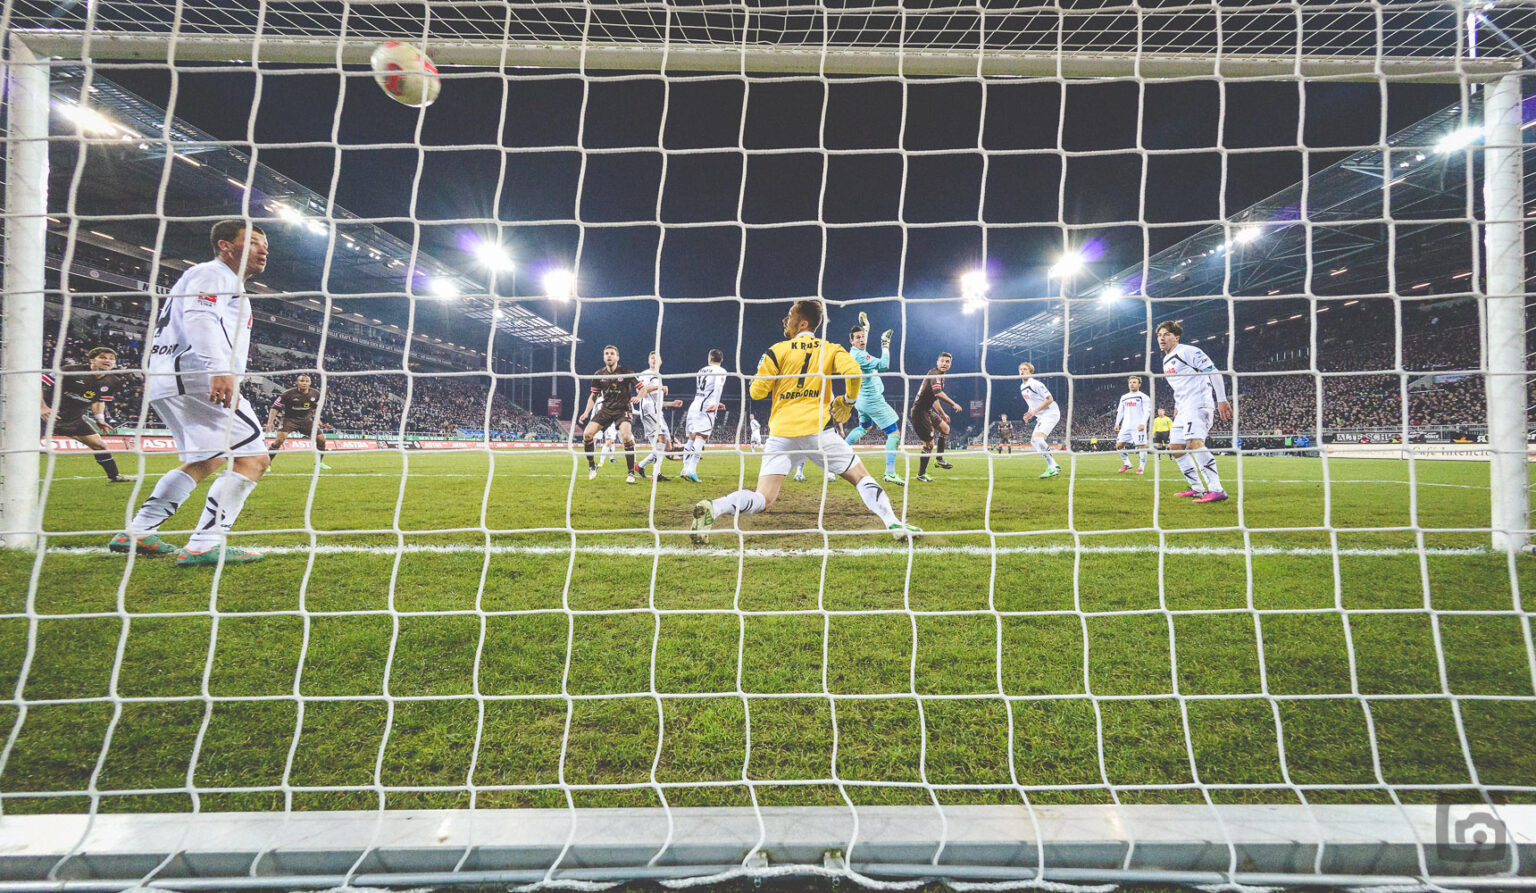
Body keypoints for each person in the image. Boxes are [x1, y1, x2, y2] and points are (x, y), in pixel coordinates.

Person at [110, 220, 272, 566]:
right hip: (196, 376)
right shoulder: (214, 273)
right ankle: (204, 543)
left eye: (265, 245)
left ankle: (138, 531)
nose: (263, 250)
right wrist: (219, 369)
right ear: (225, 245)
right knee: (255, 459)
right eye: (253, 242)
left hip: (173, 378)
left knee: (209, 458)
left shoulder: (214, 279)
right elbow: (200, 316)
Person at [690, 299, 920, 543]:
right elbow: (854, 372)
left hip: (781, 434)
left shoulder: (776, 350)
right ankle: (893, 522)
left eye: (790, 315)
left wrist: (765, 375)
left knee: (763, 498)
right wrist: (848, 401)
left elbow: (756, 392)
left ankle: (715, 507)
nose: (785, 320)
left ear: (803, 323)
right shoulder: (830, 349)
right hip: (818, 432)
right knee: (861, 477)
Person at [1157, 321, 1233, 502]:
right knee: (1175, 447)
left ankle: (1216, 489)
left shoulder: (1188, 351)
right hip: (1183, 407)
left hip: (1198, 403)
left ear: (1176, 337)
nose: (1162, 338)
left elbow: (1213, 372)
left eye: (1166, 334)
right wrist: (1177, 405)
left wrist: (1221, 399)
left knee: (1193, 442)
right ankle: (1197, 487)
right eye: (1159, 335)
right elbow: (1180, 386)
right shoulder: (1166, 360)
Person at [41, 346, 135, 483]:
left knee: (99, 446)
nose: (108, 361)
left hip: (73, 419)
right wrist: (42, 407)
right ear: (92, 360)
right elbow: (39, 383)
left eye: (111, 359)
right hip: (45, 416)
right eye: (103, 357)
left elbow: (99, 400)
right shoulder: (71, 371)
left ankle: (114, 476)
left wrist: (99, 419)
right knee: (23, 447)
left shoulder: (113, 381)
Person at [844, 313, 904, 486]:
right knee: (894, 433)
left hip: (861, 399)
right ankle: (890, 473)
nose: (862, 339)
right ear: (851, 341)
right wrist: (885, 344)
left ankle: (841, 452)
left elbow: (863, 340)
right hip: (872, 400)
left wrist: (866, 327)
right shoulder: (860, 356)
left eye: (863, 336)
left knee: (865, 427)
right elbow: (884, 365)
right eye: (858, 338)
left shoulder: (856, 351)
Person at [576, 345, 640, 483]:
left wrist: (639, 397)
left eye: (612, 353)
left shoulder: (626, 372)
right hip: (606, 410)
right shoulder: (599, 374)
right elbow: (593, 396)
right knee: (587, 434)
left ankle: (631, 473)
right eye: (606, 353)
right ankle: (591, 465)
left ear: (617, 357)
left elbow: (642, 388)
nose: (609, 355)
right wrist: (586, 412)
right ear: (604, 357)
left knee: (626, 436)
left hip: (623, 409)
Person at [910, 352, 964, 482]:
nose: (944, 363)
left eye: (947, 361)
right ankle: (921, 474)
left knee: (945, 428)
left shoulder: (940, 376)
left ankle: (939, 460)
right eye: (942, 361)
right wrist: (953, 404)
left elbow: (934, 398)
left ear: (950, 364)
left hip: (927, 410)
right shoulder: (934, 374)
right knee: (929, 444)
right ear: (937, 362)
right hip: (919, 412)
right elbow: (938, 393)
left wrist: (942, 413)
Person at [634, 351, 684, 482]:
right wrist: (659, 387)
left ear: (661, 361)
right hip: (648, 410)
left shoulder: (658, 376)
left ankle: (640, 466)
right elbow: (641, 390)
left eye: (657, 358)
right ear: (648, 361)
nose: (654, 360)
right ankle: (656, 474)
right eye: (652, 358)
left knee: (667, 447)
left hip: (657, 412)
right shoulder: (646, 374)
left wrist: (672, 403)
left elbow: (658, 401)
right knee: (661, 439)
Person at [680, 349, 727, 483]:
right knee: (701, 437)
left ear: (709, 358)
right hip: (705, 408)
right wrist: (715, 403)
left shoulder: (701, 370)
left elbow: (705, 390)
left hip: (695, 405)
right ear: (721, 359)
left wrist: (716, 403)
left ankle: (684, 469)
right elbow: (718, 387)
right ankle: (691, 470)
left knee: (692, 438)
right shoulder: (721, 371)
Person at [266, 373, 331, 469]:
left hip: (306, 420)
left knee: (321, 439)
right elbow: (274, 407)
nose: (304, 383)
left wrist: (317, 419)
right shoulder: (287, 394)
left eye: (307, 381)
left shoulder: (315, 394)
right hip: (289, 420)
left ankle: (319, 462)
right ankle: (267, 464)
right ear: (297, 382)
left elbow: (314, 407)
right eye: (302, 381)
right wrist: (270, 422)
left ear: (310, 383)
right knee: (279, 440)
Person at [1018, 362, 1062, 479]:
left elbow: (1049, 399)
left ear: (1030, 372)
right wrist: (1029, 413)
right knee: (1033, 441)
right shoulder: (1022, 387)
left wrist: (1035, 411)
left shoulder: (1036, 384)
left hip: (1051, 412)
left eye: (1025, 369)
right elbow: (1031, 403)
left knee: (1038, 438)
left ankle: (1053, 465)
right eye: (1020, 369)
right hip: (1041, 416)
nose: (1022, 371)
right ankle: (1052, 465)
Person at [1113, 375, 1152, 475]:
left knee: (1141, 446)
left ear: (1139, 384)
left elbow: (1147, 411)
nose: (1132, 384)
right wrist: (1117, 423)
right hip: (1126, 426)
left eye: (1134, 382)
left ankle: (1141, 467)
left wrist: (1143, 423)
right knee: (1119, 446)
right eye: (1130, 382)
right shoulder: (1124, 397)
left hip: (1138, 426)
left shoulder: (1143, 397)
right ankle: (1127, 463)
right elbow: (1120, 411)